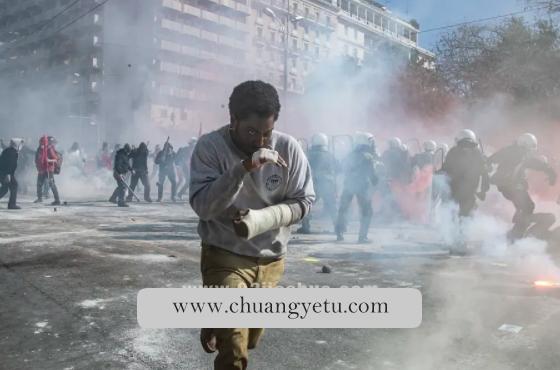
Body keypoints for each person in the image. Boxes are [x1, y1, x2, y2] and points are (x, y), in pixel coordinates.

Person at [189, 80, 314, 370]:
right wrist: (244, 168)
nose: (261, 141)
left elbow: (305, 202)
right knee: (234, 353)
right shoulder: (210, 147)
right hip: (225, 254)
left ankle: (216, 320)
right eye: (251, 132)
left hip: (271, 258)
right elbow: (204, 207)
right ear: (233, 120)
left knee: (250, 338)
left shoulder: (288, 148)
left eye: (267, 132)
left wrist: (264, 219)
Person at [489, 133, 557, 241]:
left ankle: (518, 230)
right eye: (529, 148)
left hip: (513, 186)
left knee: (527, 207)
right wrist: (488, 163)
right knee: (527, 206)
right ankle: (517, 232)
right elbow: (496, 157)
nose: (530, 151)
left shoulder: (520, 153)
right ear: (524, 145)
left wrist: (548, 170)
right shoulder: (512, 152)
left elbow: (533, 162)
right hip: (509, 186)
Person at [441, 129, 489, 253]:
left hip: (454, 190)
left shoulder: (453, 151)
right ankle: (462, 242)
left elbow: (445, 170)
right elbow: (485, 173)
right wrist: (484, 190)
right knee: (466, 217)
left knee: (453, 216)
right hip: (469, 192)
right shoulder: (477, 153)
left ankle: (453, 242)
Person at [335, 132, 378, 243]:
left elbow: (341, 168)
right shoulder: (368, 156)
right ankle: (362, 237)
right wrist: (375, 181)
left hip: (348, 185)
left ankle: (339, 233)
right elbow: (372, 174)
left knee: (343, 209)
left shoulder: (350, 155)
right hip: (362, 186)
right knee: (367, 211)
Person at [297, 133, 337, 234]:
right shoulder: (330, 155)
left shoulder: (309, 154)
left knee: (308, 204)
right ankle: (339, 228)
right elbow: (339, 169)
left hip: (314, 183)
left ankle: (306, 227)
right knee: (332, 207)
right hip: (328, 184)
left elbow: (303, 168)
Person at [34, 136, 61, 205]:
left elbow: (56, 159)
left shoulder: (49, 149)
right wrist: (38, 167)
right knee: (39, 184)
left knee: (52, 184)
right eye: (41, 143)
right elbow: (36, 159)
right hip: (41, 169)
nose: (41, 144)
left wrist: (49, 160)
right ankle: (39, 198)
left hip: (49, 169)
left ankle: (57, 200)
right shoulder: (39, 149)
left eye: (43, 143)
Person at [0, 139, 21, 209]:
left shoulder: (8, 150)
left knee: (5, 188)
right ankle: (12, 204)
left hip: (3, 172)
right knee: (14, 186)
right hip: (6, 173)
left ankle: (12, 204)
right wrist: (8, 174)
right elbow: (10, 164)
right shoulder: (12, 152)